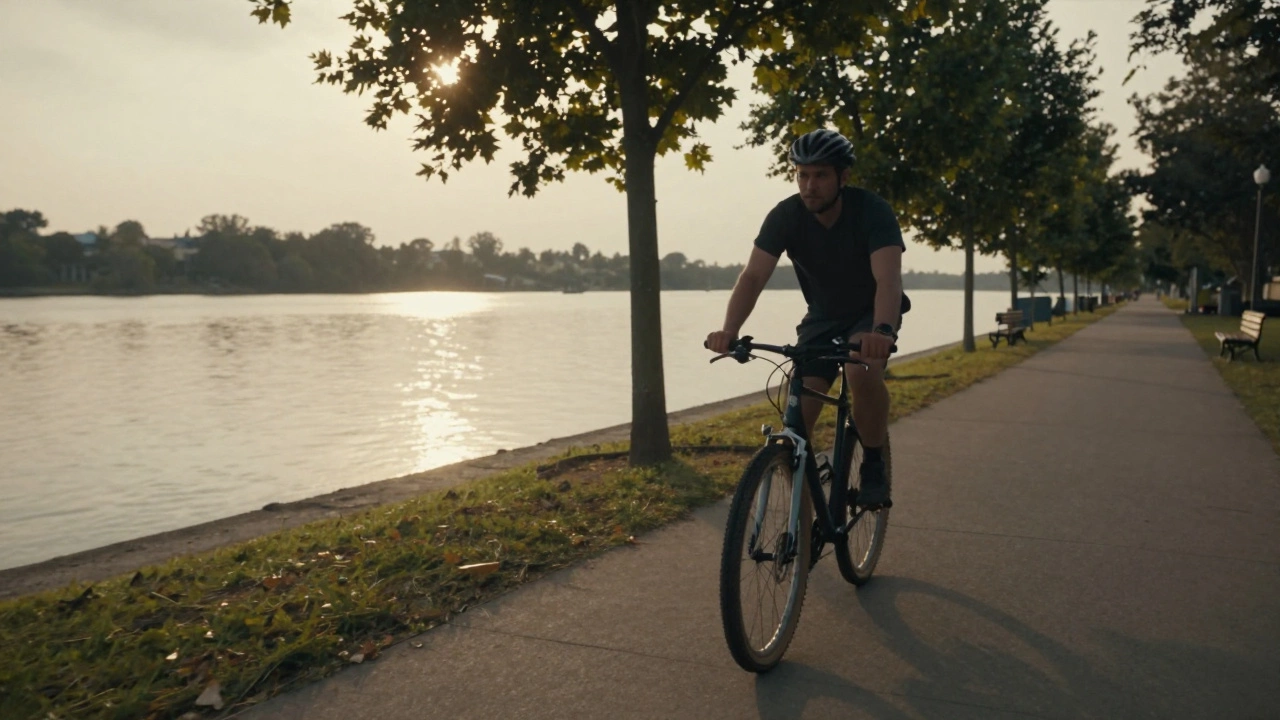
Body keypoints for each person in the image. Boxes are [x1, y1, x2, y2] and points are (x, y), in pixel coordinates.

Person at [705, 129, 907, 509]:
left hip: (870, 313)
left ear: (843, 177)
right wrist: (729, 330)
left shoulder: (872, 211)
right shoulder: (786, 216)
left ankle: (875, 462)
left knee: (861, 372)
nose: (809, 185)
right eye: (802, 175)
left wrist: (882, 330)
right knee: (796, 427)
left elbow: (888, 279)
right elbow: (752, 276)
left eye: (820, 175)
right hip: (822, 318)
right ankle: (801, 525)